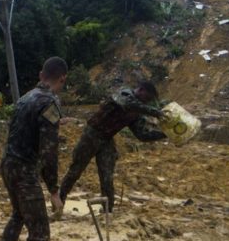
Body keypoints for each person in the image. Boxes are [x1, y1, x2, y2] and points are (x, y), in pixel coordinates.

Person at [0, 57, 68, 241]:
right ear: (62, 79)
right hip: (25, 171)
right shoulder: (51, 102)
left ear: (40, 73)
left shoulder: (26, 97)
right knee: (40, 233)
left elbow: (17, 132)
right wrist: (55, 191)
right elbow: (49, 152)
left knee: (18, 215)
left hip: (8, 165)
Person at [59, 81, 165, 213]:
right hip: (92, 134)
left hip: (107, 140)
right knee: (75, 171)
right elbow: (127, 103)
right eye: (147, 98)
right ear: (141, 90)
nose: (147, 102)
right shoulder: (124, 93)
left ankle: (108, 210)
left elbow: (142, 135)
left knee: (107, 177)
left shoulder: (137, 112)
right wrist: (156, 113)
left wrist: (165, 134)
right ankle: (58, 201)